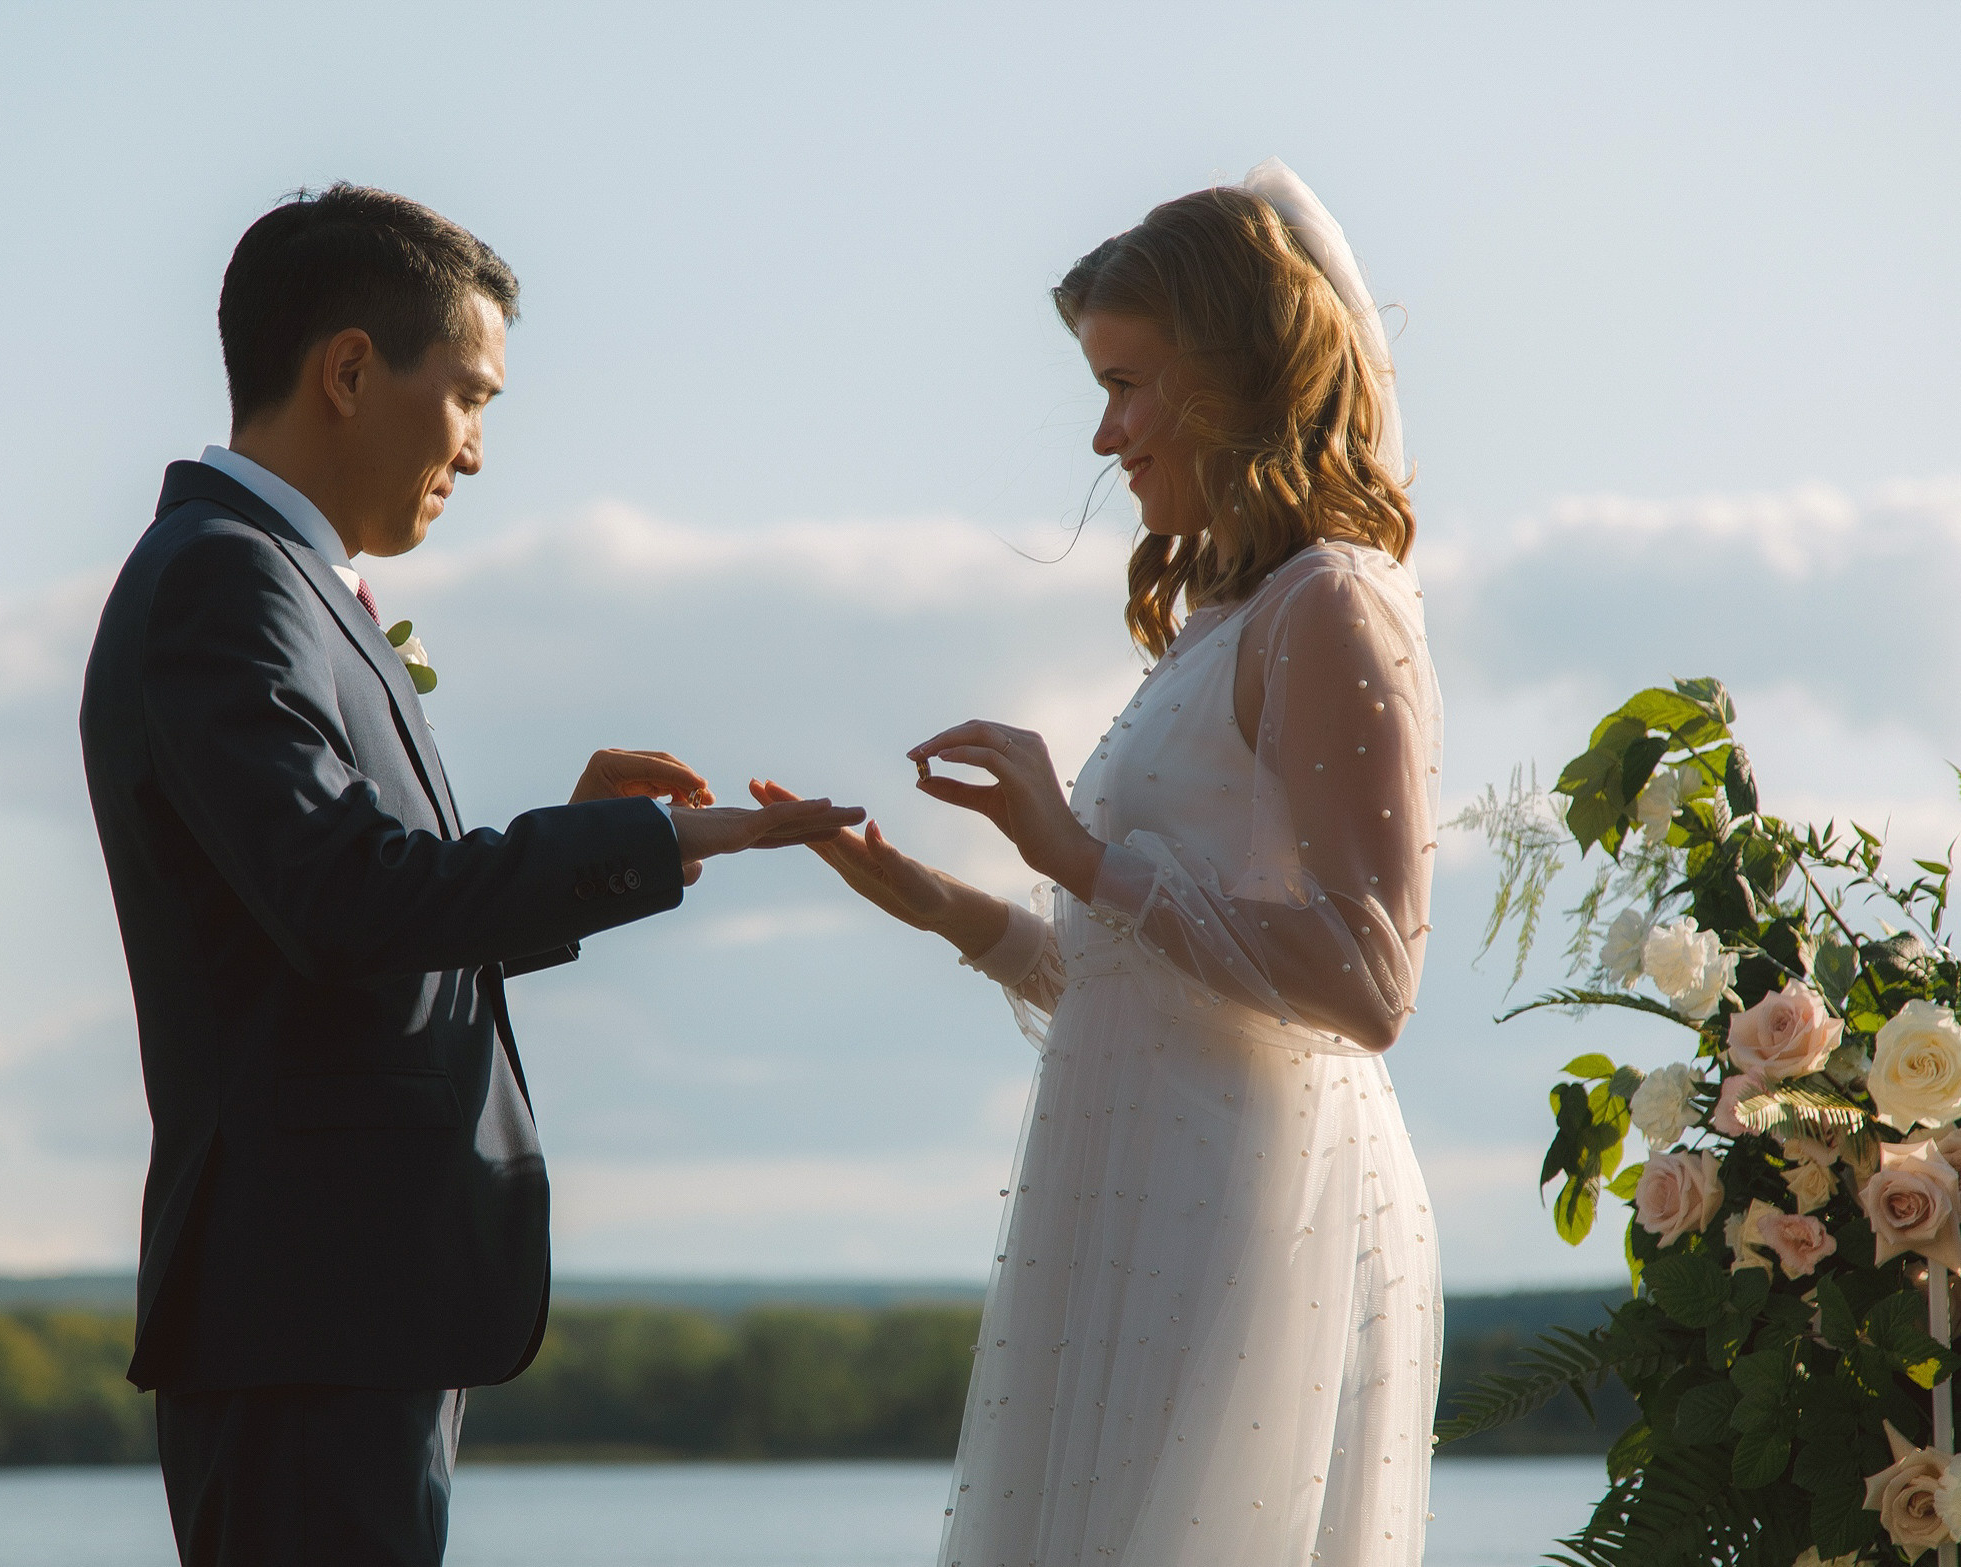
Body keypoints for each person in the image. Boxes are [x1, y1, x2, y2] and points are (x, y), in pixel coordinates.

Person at [79, 183, 863, 1567]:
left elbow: (352, 912)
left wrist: (563, 838)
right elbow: (346, 904)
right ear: (346, 369)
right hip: (308, 1306)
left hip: (342, 1303)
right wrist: (644, 845)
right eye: (470, 396)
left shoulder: (280, 583)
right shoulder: (227, 582)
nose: (480, 451)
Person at [757, 160, 1444, 1564]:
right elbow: (1147, 969)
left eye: (1128, 384)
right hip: (1146, 1188)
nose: (1103, 434)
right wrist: (942, 902)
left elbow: (1367, 981)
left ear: (1242, 373)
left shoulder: (1329, 604)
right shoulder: (1219, 615)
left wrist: (1073, 850)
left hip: (1254, 1209)